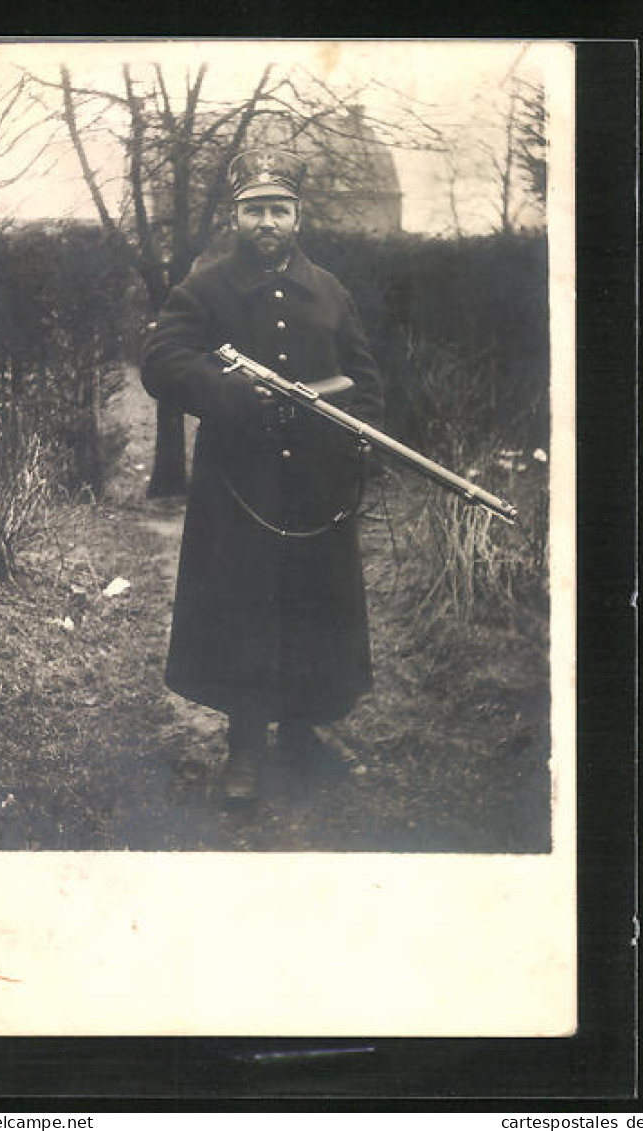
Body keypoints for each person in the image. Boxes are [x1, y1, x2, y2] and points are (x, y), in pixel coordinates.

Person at [141, 148, 384, 800]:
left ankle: (304, 737)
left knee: (313, 606)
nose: (267, 221)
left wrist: (358, 440)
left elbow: (364, 380)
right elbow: (162, 361)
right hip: (237, 485)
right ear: (236, 216)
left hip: (316, 485)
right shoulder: (203, 289)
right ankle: (244, 750)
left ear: (297, 218)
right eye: (255, 210)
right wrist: (233, 394)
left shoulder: (331, 291)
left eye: (279, 209)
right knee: (243, 608)